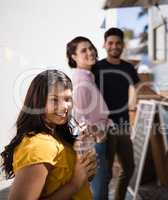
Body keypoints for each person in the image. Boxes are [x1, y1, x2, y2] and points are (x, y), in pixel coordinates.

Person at [1, 70, 96, 200]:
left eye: (68, 99)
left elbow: (75, 178)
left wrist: (85, 162)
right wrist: (74, 184)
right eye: (54, 100)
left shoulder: (57, 134)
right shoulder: (38, 146)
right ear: (37, 102)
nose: (64, 107)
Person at [92, 27, 140, 200]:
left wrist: (163, 96)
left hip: (123, 126)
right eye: (110, 42)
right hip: (104, 128)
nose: (114, 46)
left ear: (123, 46)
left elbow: (139, 88)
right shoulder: (97, 68)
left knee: (129, 168)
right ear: (105, 45)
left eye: (118, 43)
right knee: (106, 173)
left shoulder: (128, 68)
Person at [66, 36, 111, 200]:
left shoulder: (87, 76)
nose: (90, 52)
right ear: (74, 57)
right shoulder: (80, 80)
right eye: (83, 50)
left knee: (98, 188)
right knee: (98, 192)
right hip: (92, 144)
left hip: (96, 140)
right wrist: (97, 136)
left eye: (91, 48)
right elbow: (78, 119)